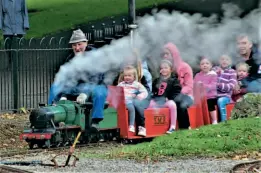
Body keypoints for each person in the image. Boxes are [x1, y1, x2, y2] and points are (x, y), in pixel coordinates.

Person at [48, 29, 108, 128]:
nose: (77, 48)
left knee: (99, 92)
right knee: (55, 87)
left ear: (86, 43)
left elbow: (98, 77)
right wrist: (64, 94)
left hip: (95, 86)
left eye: (79, 44)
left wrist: (86, 93)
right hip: (76, 87)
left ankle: (95, 121)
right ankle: (52, 114)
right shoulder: (70, 59)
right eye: (74, 45)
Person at [161, 42, 194, 129]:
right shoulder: (165, 68)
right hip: (170, 96)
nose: (165, 56)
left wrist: (177, 94)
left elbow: (189, 86)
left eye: (167, 54)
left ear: (173, 54)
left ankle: (185, 127)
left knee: (180, 103)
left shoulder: (185, 67)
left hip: (187, 95)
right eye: (163, 54)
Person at [149, 60, 182, 134]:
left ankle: (172, 127)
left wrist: (170, 98)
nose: (163, 70)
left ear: (171, 69)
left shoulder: (174, 81)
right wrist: (154, 97)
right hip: (157, 100)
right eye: (162, 68)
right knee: (149, 104)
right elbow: (153, 91)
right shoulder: (157, 80)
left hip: (167, 101)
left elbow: (176, 92)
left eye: (166, 68)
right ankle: (150, 127)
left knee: (172, 105)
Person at [117, 66, 148, 136]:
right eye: (125, 75)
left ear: (134, 76)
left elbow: (145, 92)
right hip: (121, 102)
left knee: (132, 108)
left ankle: (132, 125)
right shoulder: (121, 84)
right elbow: (116, 91)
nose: (127, 77)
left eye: (129, 75)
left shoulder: (137, 84)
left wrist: (139, 96)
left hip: (130, 101)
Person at [212, 55, 237, 122]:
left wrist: (218, 85)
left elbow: (231, 86)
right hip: (213, 95)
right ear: (219, 61)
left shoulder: (232, 72)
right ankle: (212, 121)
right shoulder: (214, 70)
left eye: (227, 59)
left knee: (221, 100)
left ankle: (224, 121)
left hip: (226, 96)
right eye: (222, 59)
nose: (224, 61)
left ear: (230, 62)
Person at [194, 57, 218, 124]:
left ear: (211, 65)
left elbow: (213, 86)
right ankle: (197, 121)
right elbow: (194, 84)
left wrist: (202, 86)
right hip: (199, 97)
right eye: (202, 64)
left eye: (207, 63)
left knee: (210, 103)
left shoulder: (213, 74)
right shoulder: (197, 75)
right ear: (200, 66)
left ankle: (214, 120)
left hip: (210, 96)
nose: (205, 65)